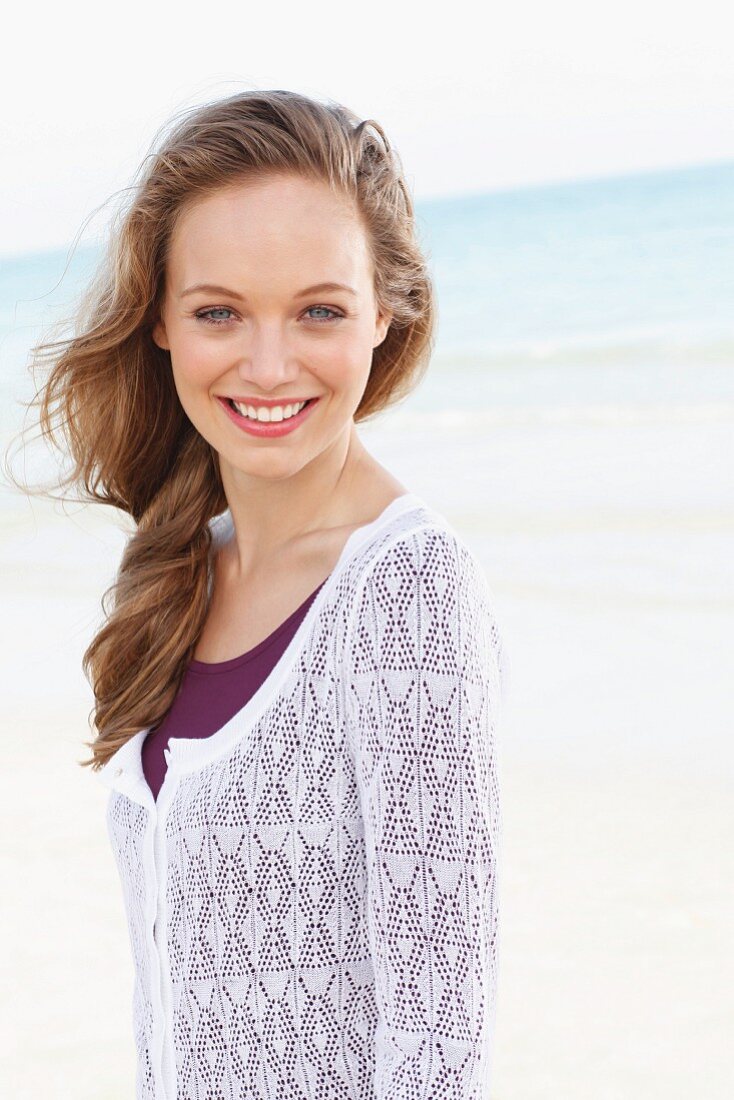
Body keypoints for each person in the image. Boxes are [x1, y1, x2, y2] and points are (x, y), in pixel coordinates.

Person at [19, 89, 509, 1099]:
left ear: (386, 311)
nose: (268, 363)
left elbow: (438, 1038)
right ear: (158, 320)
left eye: (319, 310)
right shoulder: (179, 568)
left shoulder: (403, 589)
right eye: (218, 312)